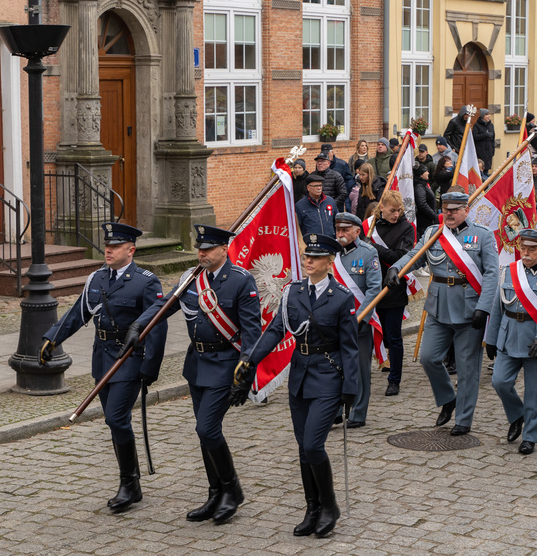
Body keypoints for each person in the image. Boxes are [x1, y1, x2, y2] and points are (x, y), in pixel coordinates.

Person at [122, 224, 261, 524]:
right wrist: (139, 326)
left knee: (207, 429)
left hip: (226, 364)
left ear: (224, 249)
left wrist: (247, 370)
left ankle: (232, 491)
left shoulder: (240, 281)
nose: (202, 253)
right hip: (197, 364)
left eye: (209, 249)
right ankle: (215, 494)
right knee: (204, 432)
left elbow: (252, 332)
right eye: (200, 248)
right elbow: (164, 305)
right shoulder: (191, 278)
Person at [41, 223, 167, 513]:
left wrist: (151, 366)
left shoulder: (146, 281)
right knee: (115, 420)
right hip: (103, 357)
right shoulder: (96, 278)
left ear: (131, 250)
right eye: (107, 245)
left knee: (116, 417)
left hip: (128, 358)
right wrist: (52, 338)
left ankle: (128, 483)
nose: (108, 250)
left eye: (115, 246)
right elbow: (78, 313)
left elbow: (157, 323)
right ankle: (132, 484)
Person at [243, 233, 358, 538]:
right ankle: (312, 508)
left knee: (312, 444)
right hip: (300, 376)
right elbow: (276, 330)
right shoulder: (293, 292)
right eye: (307, 256)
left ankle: (330, 506)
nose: (308, 261)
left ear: (330, 261)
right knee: (303, 449)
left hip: (329, 377)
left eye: (316, 257)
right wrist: (251, 359)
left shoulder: (342, 297)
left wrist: (351, 388)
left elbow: (350, 347)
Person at [387, 191, 499, 435]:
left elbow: (492, 274)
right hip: (438, 307)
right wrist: (397, 268)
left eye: (455, 209)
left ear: (466, 210)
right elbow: (415, 256)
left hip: (470, 309)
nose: (449, 213)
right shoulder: (432, 233)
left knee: (468, 369)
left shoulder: (482, 235)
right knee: (428, 358)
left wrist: (484, 307)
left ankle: (464, 419)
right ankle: (448, 398)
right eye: (446, 209)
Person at [486, 229, 537, 455]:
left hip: (536, 340)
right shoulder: (508, 272)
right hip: (509, 336)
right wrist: (491, 339)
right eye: (523, 248)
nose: (527, 252)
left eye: (532, 249)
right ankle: (517, 415)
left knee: (535, 393)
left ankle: (530, 437)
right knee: (500, 382)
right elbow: (497, 307)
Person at [333, 213, 381, 428]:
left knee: (360, 368)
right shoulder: (331, 252)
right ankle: (334, 410)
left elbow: (374, 289)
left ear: (357, 231)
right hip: (334, 321)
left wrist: (362, 317)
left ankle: (358, 413)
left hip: (358, 321)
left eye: (345, 230)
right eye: (338, 230)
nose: (340, 234)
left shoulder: (368, 253)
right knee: (334, 367)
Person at [369, 191, 416, 397]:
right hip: (371, 289)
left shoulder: (407, 228)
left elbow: (399, 257)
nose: (396, 214)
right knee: (375, 335)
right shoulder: (370, 227)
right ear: (382, 208)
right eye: (392, 210)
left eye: (399, 211)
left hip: (393, 289)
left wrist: (372, 246)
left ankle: (394, 380)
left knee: (394, 337)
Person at [320, 143, 354, 212]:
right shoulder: (320, 165)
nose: (326, 155)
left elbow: (349, 180)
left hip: (338, 199)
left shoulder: (342, 164)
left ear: (332, 152)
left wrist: (343, 190)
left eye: (327, 153)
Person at [413, 163, 436, 239]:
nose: (428, 173)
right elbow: (422, 204)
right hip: (424, 222)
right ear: (421, 175)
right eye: (426, 171)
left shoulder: (424, 184)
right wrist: (433, 215)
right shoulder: (419, 186)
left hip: (427, 220)